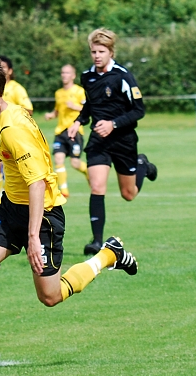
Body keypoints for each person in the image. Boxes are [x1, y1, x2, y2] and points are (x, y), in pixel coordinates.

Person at [0, 57, 138, 371]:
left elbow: (38, 183)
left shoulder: (15, 126)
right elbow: (5, 152)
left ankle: (108, 256)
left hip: (42, 216)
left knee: (50, 296)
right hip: (11, 208)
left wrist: (32, 237)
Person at [67, 29, 158, 256]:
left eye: (101, 51)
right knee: (97, 186)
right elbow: (89, 104)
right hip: (98, 140)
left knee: (129, 194)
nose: (97, 56)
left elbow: (139, 110)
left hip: (123, 141)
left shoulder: (123, 76)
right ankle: (96, 241)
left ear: (111, 52)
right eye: (93, 52)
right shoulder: (87, 76)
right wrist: (78, 121)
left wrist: (113, 124)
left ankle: (142, 165)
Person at [0, 55, 33, 205]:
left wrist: (9, 116)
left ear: (10, 71)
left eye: (3, 68)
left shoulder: (17, 88)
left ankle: (15, 200)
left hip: (13, 135)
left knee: (14, 170)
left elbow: (29, 109)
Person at [44, 64, 89, 198]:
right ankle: (64, 190)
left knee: (75, 163)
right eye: (63, 73)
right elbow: (57, 110)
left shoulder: (79, 91)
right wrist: (51, 115)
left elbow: (87, 110)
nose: (64, 75)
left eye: (68, 73)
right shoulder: (59, 93)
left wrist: (74, 106)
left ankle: (89, 172)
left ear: (73, 76)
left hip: (75, 131)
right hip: (60, 131)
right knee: (58, 159)